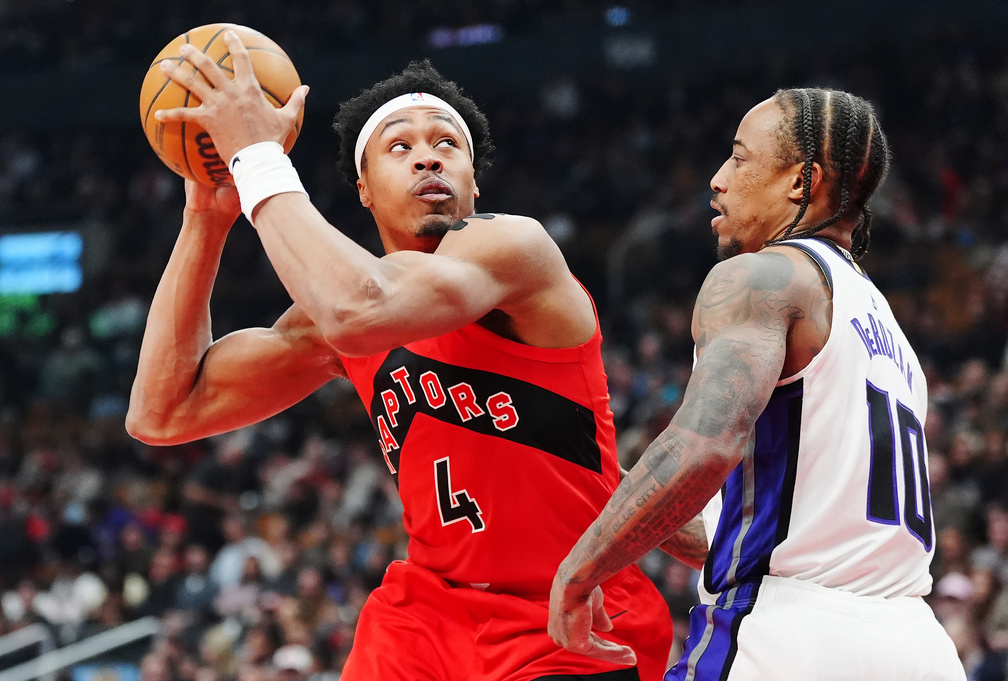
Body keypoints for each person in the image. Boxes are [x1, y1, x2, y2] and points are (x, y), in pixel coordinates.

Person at [126, 31, 671, 680]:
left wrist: (256, 156)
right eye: (400, 146)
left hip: (568, 613)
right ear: (363, 188)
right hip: (427, 620)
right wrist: (206, 219)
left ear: (473, 180)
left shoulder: (515, 249)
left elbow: (362, 307)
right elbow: (163, 411)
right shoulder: (336, 316)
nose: (427, 159)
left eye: (448, 144)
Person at [548, 88, 966, 680]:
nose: (717, 179)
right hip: (920, 649)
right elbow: (737, 529)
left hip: (790, 639)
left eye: (740, 158)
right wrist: (605, 480)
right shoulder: (886, 329)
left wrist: (581, 569)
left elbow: (705, 445)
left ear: (802, 181)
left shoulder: (763, 275)